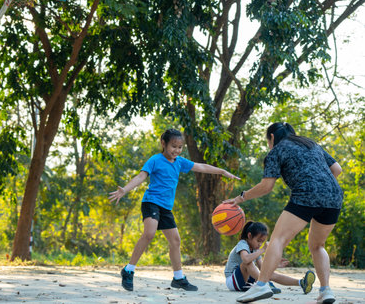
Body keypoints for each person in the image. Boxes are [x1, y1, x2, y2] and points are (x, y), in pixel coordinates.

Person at [224, 122, 342, 304]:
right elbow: (337, 169)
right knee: (318, 246)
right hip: (334, 195)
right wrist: (321, 188)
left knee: (278, 240)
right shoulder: (311, 144)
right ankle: (326, 291)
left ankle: (261, 285)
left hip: (306, 193)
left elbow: (266, 186)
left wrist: (241, 197)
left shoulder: (277, 150)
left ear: (272, 137)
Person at [109, 128, 240, 292]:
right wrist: (125, 190)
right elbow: (141, 176)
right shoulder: (155, 160)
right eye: (173, 146)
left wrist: (221, 171)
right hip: (151, 202)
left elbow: (201, 167)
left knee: (175, 241)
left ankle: (178, 278)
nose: (176, 150)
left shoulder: (179, 162)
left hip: (165, 208)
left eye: (180, 147)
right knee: (149, 233)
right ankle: (128, 270)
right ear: (163, 144)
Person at [225, 221, 315, 295]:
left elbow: (262, 268)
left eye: (262, 242)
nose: (260, 244)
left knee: (267, 273)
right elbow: (245, 259)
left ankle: (301, 283)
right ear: (249, 236)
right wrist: (263, 249)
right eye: (258, 241)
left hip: (246, 281)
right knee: (248, 263)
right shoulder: (243, 243)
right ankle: (265, 285)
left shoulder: (256, 250)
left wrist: (274, 264)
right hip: (232, 281)